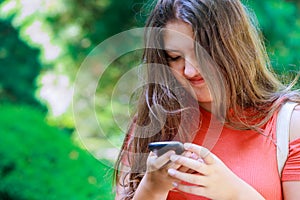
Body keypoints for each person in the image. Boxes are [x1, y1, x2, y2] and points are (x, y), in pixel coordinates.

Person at [114, 0, 300, 199]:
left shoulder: (289, 124)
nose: (189, 70)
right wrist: (152, 187)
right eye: (175, 57)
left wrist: (234, 193)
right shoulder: (153, 124)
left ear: (233, 47)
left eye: (202, 54)